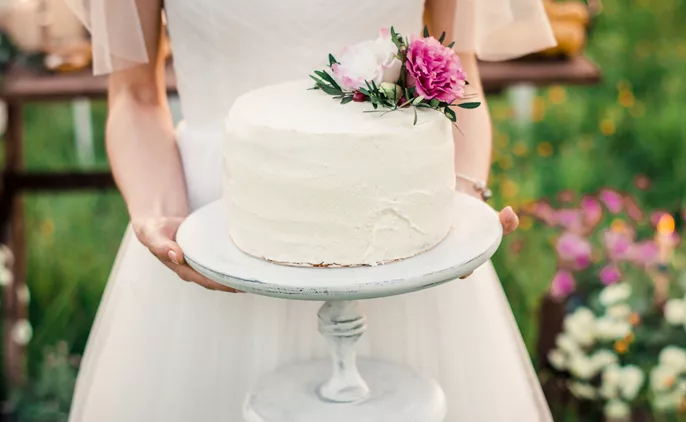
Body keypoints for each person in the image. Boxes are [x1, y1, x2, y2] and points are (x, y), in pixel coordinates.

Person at [66, 0, 557, 420]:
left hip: (396, 226)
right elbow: (134, 92)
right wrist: (160, 213)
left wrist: (462, 197)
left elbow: (458, 70)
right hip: (215, 219)